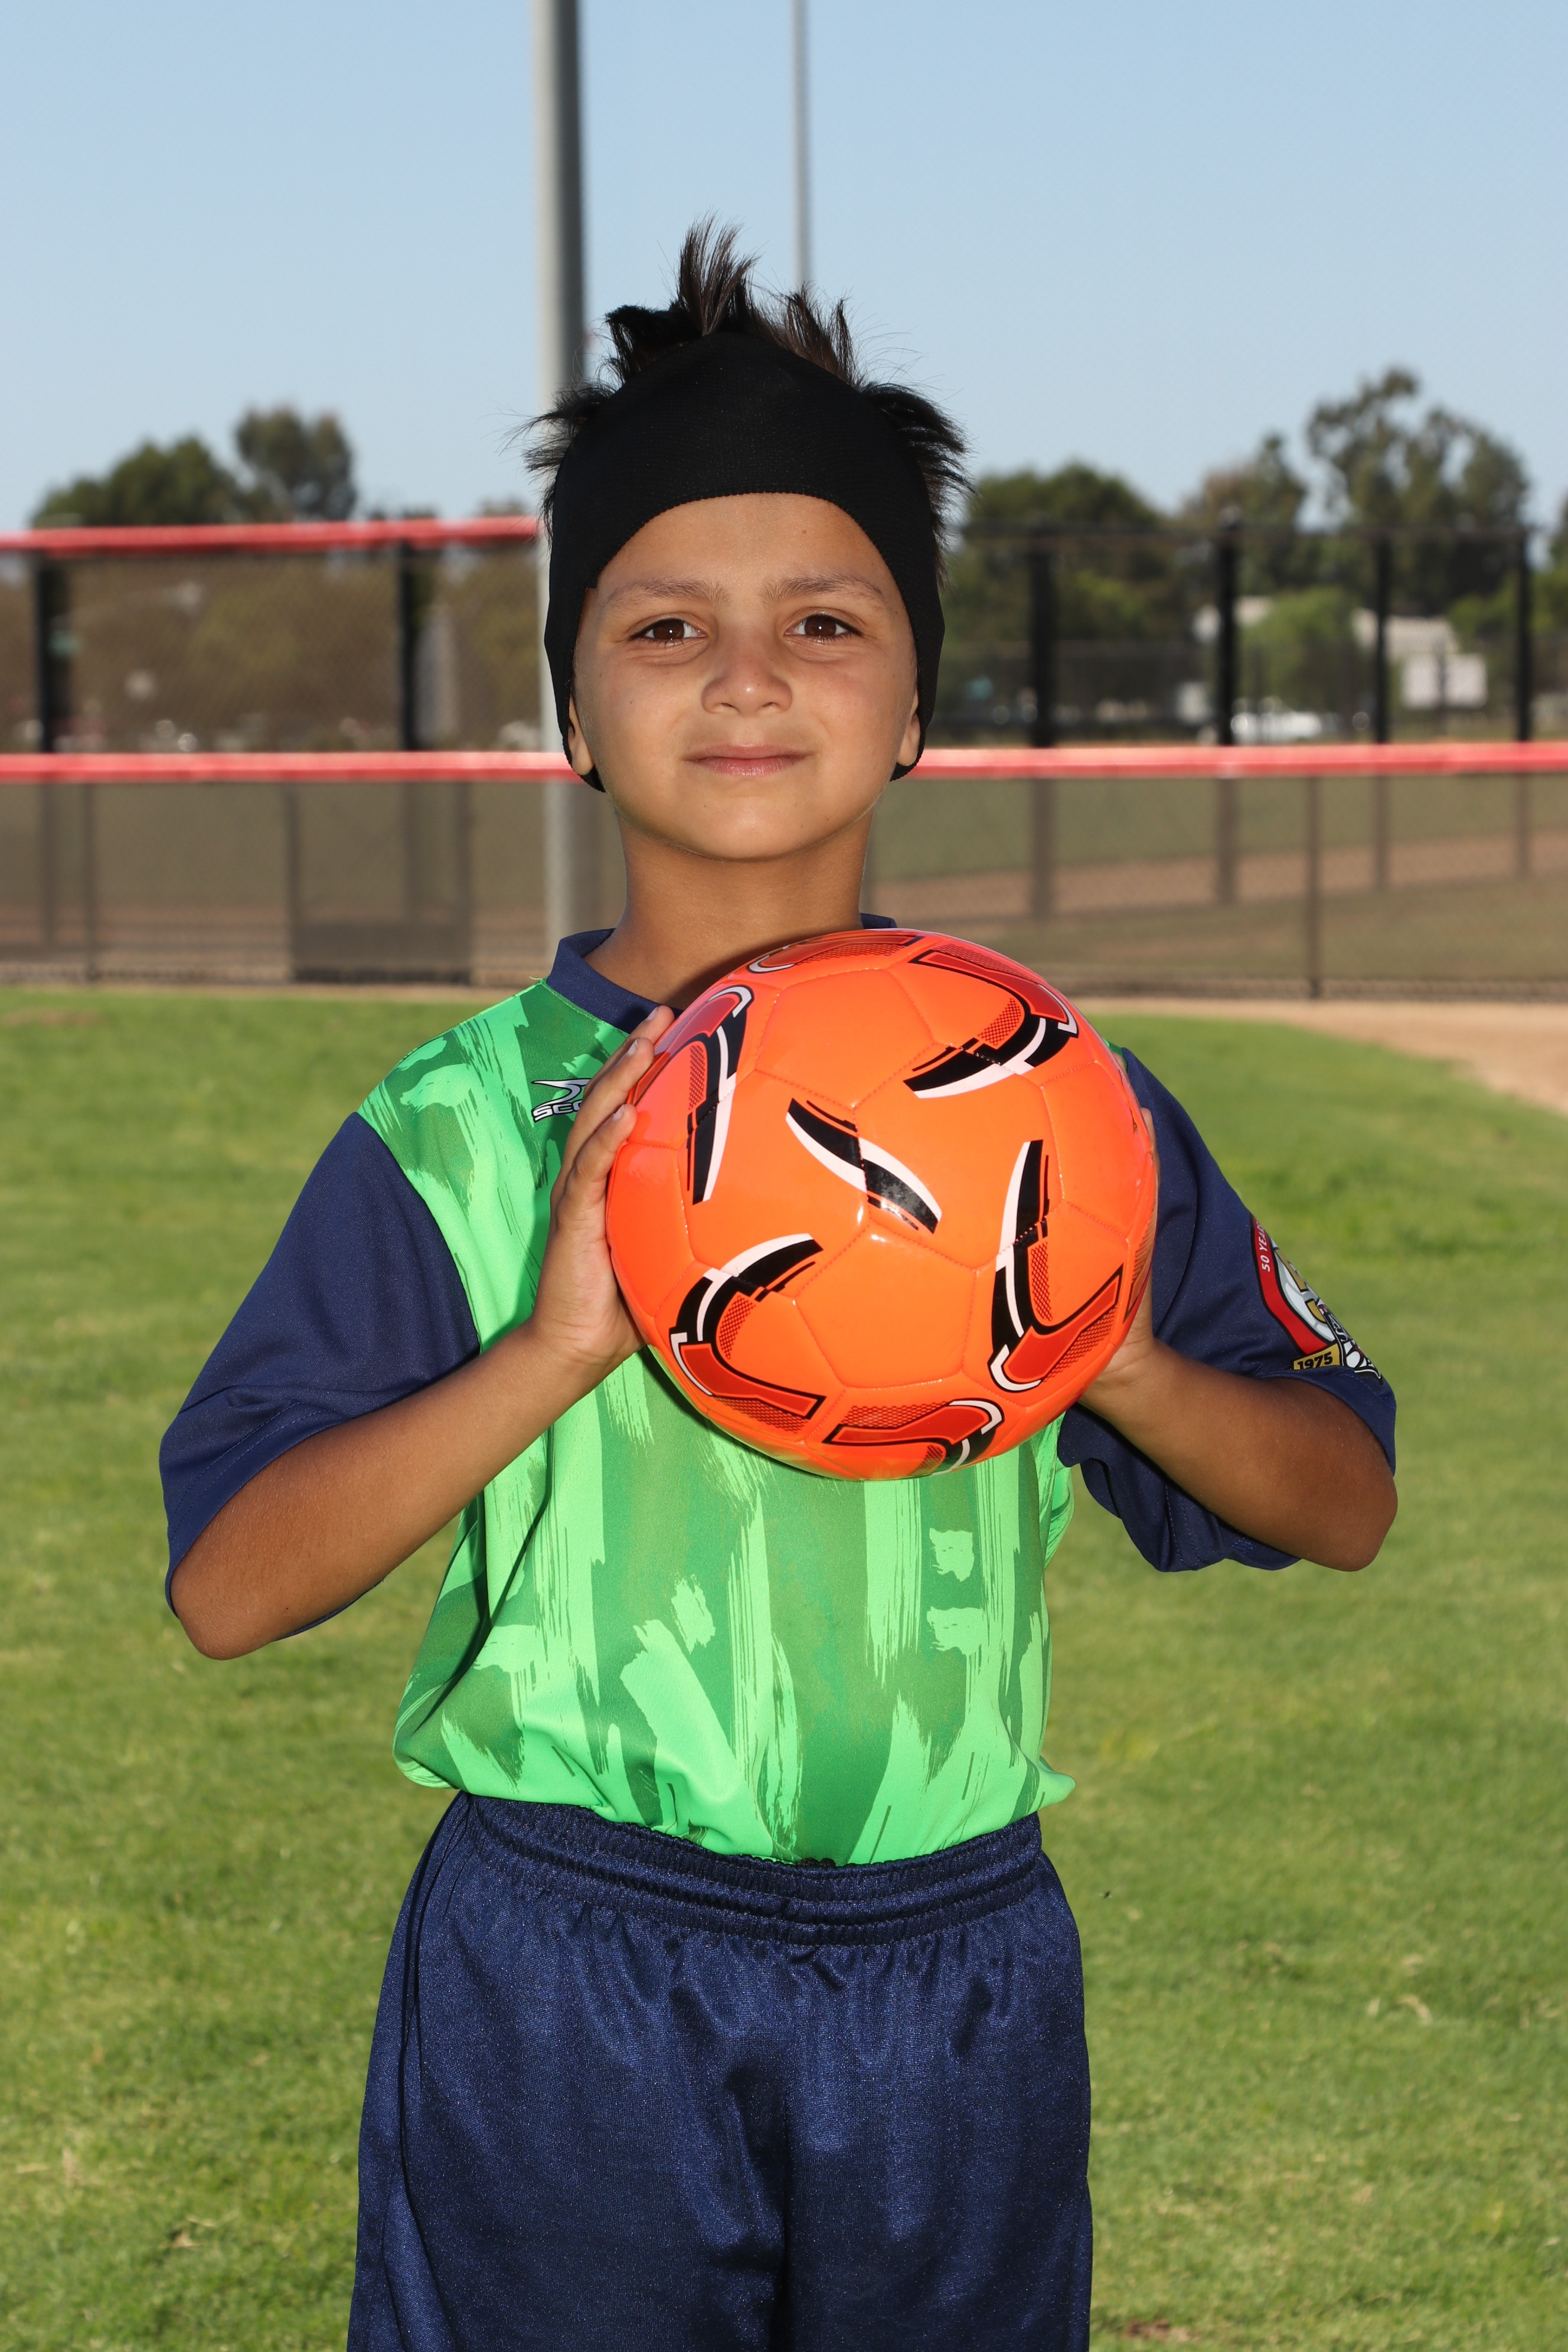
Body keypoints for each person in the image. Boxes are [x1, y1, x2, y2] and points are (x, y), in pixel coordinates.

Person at [162, 226, 1396, 2351]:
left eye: (826, 620)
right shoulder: (461, 1126)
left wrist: (1111, 1356)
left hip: (957, 1973)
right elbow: (229, 1586)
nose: (748, 676)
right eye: (666, 624)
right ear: (572, 704)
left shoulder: (1063, 1110)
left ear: (919, 699)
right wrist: (559, 1344)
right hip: (570, 1967)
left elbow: (1343, 1498)